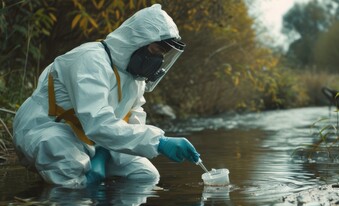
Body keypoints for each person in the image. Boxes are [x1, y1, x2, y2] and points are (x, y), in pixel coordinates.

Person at [12, 4, 201, 188]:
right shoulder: (89, 60)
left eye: (163, 54)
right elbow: (98, 123)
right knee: (69, 170)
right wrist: (159, 142)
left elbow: (131, 122)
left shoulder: (135, 78)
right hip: (49, 128)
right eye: (156, 50)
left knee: (144, 176)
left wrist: (103, 154)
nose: (158, 60)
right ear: (137, 40)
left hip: (93, 139)